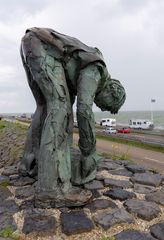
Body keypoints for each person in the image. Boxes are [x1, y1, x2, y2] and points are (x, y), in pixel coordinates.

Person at [19, 27, 126, 207]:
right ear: (112, 91)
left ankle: (31, 165)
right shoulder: (96, 71)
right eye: (106, 105)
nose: (101, 106)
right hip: (44, 47)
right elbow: (84, 110)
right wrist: (89, 152)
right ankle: (50, 190)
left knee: (44, 106)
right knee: (60, 109)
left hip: (31, 42)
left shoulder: (76, 74)